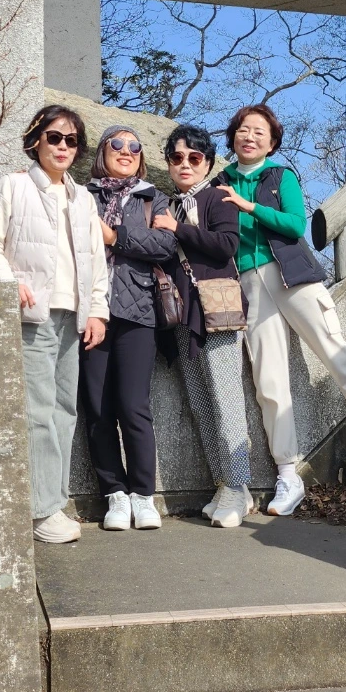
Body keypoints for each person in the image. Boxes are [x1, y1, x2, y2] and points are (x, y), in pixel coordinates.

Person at [217, 103, 346, 518]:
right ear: (233, 136)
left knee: (336, 352)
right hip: (249, 284)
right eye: (244, 130)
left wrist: (248, 207)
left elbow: (294, 225)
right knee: (268, 379)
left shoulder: (279, 176)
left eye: (259, 132)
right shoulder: (219, 182)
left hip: (293, 276)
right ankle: (288, 474)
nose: (249, 137)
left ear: (271, 143)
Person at [0, 105, 109, 545]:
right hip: (33, 315)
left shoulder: (83, 197)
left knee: (63, 411)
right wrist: (8, 283)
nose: (63, 146)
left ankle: (53, 500)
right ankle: (41, 510)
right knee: (37, 411)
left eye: (72, 140)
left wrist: (97, 311)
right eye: (54, 137)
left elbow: (96, 262)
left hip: (73, 315)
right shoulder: (13, 185)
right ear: (36, 140)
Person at [153, 124, 254, 529]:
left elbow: (227, 245)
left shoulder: (218, 198)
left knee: (227, 400)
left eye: (194, 158)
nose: (185, 164)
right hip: (183, 314)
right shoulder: (166, 205)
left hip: (217, 310)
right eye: (177, 157)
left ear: (208, 163)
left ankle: (239, 485)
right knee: (201, 402)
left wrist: (178, 229)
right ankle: (225, 485)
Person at [79, 124, 177, 532]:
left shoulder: (154, 198)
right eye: (116, 144)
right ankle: (115, 495)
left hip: (138, 312)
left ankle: (143, 495)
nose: (126, 150)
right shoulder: (81, 196)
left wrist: (113, 235)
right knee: (98, 409)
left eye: (134, 146)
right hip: (91, 311)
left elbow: (165, 246)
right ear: (102, 152)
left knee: (134, 406)